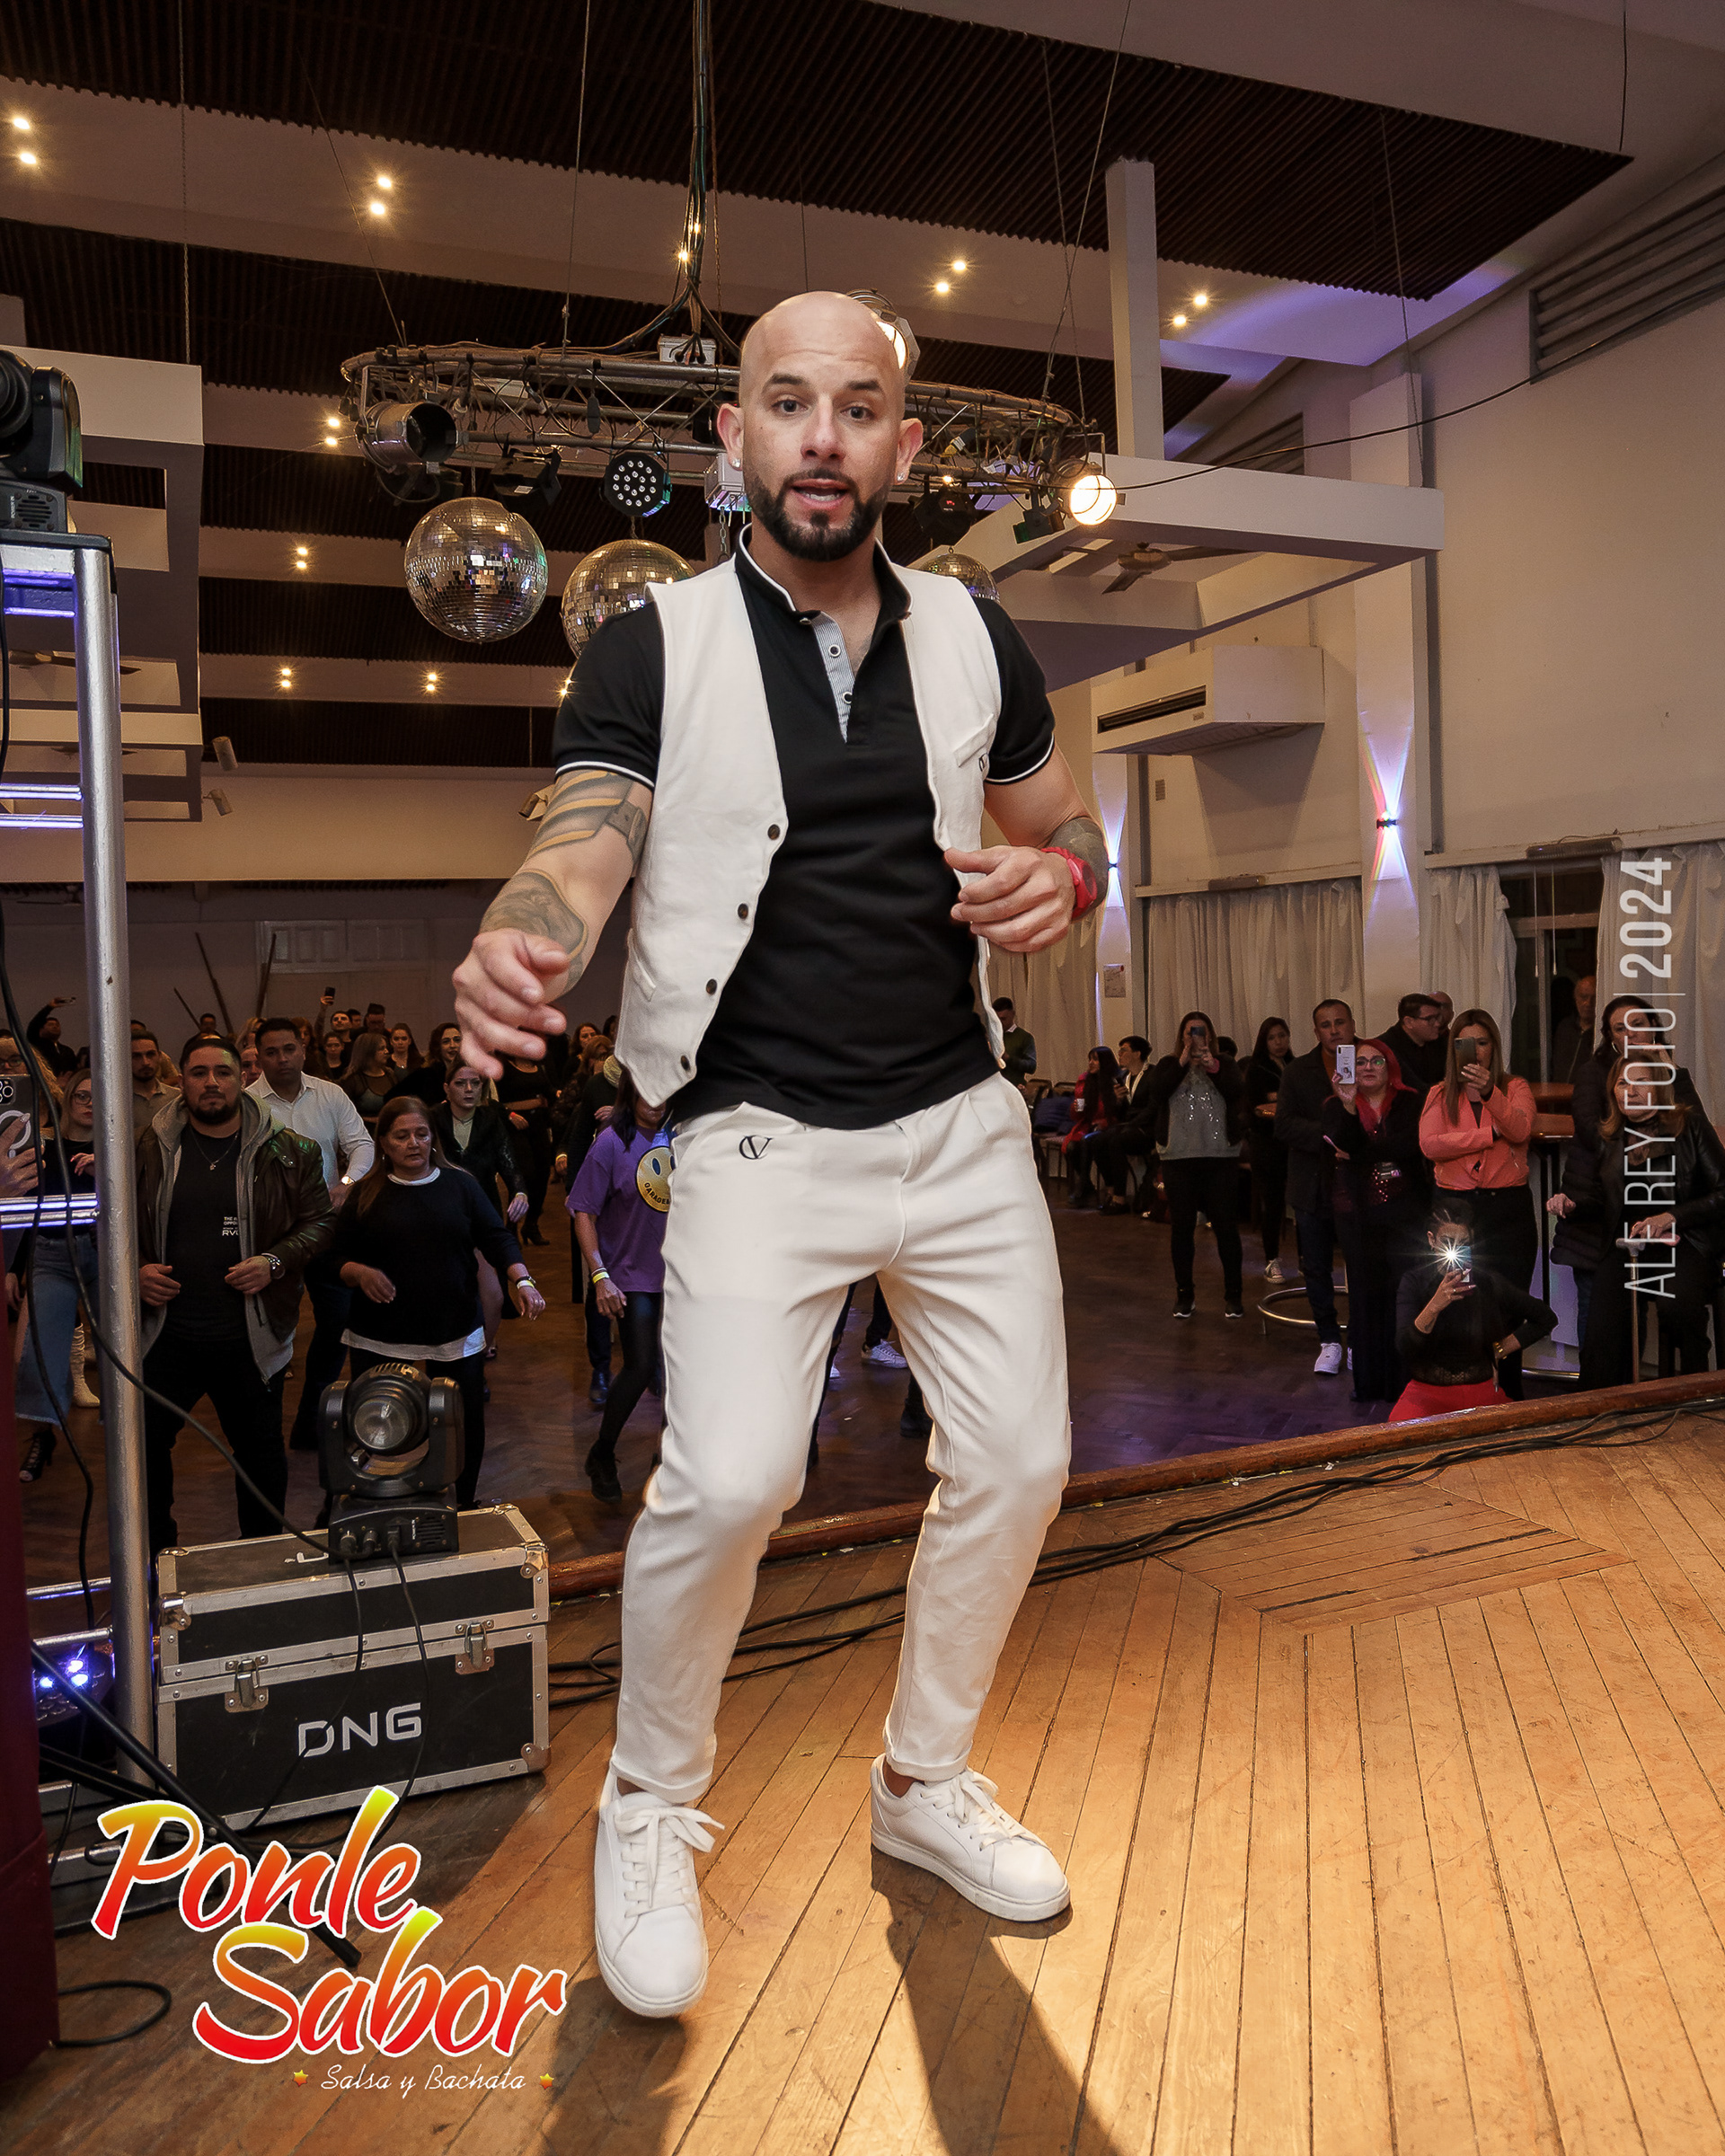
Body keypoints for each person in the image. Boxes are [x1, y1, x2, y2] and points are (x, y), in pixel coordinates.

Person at [453, 287, 1103, 2018]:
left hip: (959, 1121)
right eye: (789, 403)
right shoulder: (651, 646)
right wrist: (526, 937)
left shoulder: (976, 635)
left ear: (904, 443)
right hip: (752, 1131)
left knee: (1022, 1461)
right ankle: (650, 1803)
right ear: (733, 437)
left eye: (858, 405)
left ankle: (921, 1783)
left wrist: (1070, 875)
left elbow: (1064, 818)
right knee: (736, 1480)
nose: (824, 436)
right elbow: (584, 842)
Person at [137, 1035, 333, 1554]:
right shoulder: (148, 1148)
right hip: (165, 1335)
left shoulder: (292, 1151)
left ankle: (262, 1561)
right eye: (198, 1073)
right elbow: (110, 1224)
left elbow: (321, 1224)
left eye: (222, 1072)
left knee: (260, 1457)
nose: (211, 1083)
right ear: (180, 1080)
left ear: (242, 1078)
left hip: (251, 1336)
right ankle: (157, 1561)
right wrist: (134, 1270)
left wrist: (274, 1261)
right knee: (144, 1451)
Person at [330, 1095, 544, 1507]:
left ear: (433, 1139)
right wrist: (358, 1272)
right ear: (383, 1143)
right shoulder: (367, 1193)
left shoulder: (460, 1185)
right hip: (381, 1331)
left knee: (463, 1421)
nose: (413, 1143)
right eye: (402, 1136)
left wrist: (522, 1279)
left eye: (422, 1134)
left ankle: (464, 1504)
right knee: (374, 1423)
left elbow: (496, 1237)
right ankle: (378, 1503)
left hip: (453, 1325)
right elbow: (332, 1257)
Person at [246, 1014, 376, 1455]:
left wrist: (347, 1184)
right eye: (271, 1052)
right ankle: (262, 1429)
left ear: (303, 1050)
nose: (282, 1058)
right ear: (259, 1056)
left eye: (289, 1049)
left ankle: (311, 1423)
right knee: (271, 1331)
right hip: (269, 1234)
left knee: (337, 1321)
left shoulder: (329, 1094)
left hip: (324, 1226)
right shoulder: (249, 1104)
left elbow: (362, 1145)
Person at [1552, 1061, 1725, 1388]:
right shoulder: (1610, 1137)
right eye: (1621, 1083)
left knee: (1677, 1307)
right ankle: (1603, 1404)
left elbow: (1722, 1191)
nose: (1629, 1091)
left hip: (1686, 1239)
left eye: (1639, 1081)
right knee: (1602, 1324)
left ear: (1659, 1087)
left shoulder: (1689, 1125)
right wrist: (1573, 1205)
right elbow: (1604, 1201)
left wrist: (1672, 1217)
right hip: (1630, 1242)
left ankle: (1697, 1393)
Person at [1554, 998, 1708, 1347]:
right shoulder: (1595, 1073)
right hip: (1599, 1210)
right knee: (1603, 1320)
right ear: (1610, 1038)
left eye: (1638, 1024)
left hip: (1661, 1220)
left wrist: (1670, 1072)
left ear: (1654, 1027)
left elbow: (1693, 1126)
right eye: (1619, 1028)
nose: (1630, 1034)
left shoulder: (1667, 1073)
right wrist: (1638, 1145)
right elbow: (1592, 1130)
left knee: (1663, 1311)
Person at [1419, 1010, 1539, 1397]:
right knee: (1458, 1304)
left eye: (1483, 1042)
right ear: (1453, 1049)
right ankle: (1462, 1393)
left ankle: (1510, 1395)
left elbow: (1519, 1129)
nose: (1475, 1051)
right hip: (1455, 1212)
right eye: (1465, 1043)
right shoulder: (1440, 1093)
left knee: (1509, 1308)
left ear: (1494, 1047)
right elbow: (1430, 1145)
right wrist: (1488, 1135)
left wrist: (1490, 1094)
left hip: (1507, 1211)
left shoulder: (1514, 1087)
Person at [568, 1073, 672, 1504]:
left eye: (663, 1091)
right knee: (641, 1365)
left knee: (682, 1374)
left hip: (679, 1274)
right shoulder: (611, 1143)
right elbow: (583, 1212)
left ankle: (666, 1461)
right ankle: (602, 1452)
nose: (655, 1100)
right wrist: (600, 1276)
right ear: (630, 1091)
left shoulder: (682, 1139)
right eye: (647, 1090)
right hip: (631, 1274)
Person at [1322, 1038, 1429, 1406]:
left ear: (1390, 1066)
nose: (1368, 1067)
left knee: (1404, 1296)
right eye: (1361, 1061)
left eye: (1376, 1061)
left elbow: (1409, 1147)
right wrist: (1348, 1105)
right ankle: (1368, 1384)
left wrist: (1359, 1153)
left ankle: (1403, 1383)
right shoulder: (1335, 1105)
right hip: (1358, 1216)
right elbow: (1341, 1141)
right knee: (1365, 1298)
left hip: (1405, 1215)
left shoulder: (1411, 1102)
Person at [1391, 1196, 1557, 1422]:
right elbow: (1404, 1346)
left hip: (1480, 1389)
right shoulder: (1414, 1282)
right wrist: (1435, 1305)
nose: (1455, 1250)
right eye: (1447, 1242)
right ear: (1432, 1240)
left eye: (1463, 1244)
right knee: (1397, 1435)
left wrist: (1497, 1351)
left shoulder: (1486, 1281)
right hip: (1426, 1392)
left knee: (1521, 1434)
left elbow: (1545, 1318)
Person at [9, 1068, 99, 1483]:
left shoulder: (118, 1147)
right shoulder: (41, 1147)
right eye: (82, 1095)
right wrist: (14, 1268)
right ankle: (42, 1436)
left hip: (105, 1255)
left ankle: (127, 1437)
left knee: (124, 1351)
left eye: (98, 1096)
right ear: (67, 1098)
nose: (90, 1104)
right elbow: (25, 1208)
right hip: (49, 1254)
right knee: (36, 1355)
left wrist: (108, 1172)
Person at [1143, 1012, 1248, 1318]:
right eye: (1189, 1033)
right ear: (1181, 1036)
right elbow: (1158, 1092)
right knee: (1182, 1229)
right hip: (1178, 1157)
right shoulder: (1168, 1064)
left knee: (1226, 1228)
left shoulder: (1225, 1063)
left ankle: (1234, 1296)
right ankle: (1184, 1295)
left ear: (1210, 1035)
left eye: (1200, 1032)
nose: (1195, 1037)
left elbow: (1236, 1091)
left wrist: (1212, 1065)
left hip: (1220, 1156)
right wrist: (1183, 1061)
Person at [1276, 999, 1357, 1374]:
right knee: (1317, 1266)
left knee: (1362, 1266)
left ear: (1352, 1023)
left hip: (1360, 1182)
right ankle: (1329, 1339)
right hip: (1312, 1182)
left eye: (1340, 1022)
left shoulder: (1370, 1061)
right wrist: (1329, 1136)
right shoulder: (1297, 1070)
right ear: (1316, 1031)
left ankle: (1360, 1338)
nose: (1334, 1030)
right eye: (1326, 1025)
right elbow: (1284, 1125)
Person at [435, 1063, 530, 1353]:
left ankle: (485, 1342)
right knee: (450, 1281)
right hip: (442, 1210)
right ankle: (449, 1342)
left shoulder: (490, 1119)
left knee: (492, 1288)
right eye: (461, 1083)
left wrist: (520, 1192)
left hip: (483, 1206)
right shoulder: (433, 1118)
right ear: (447, 1088)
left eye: (475, 1083)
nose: (469, 1090)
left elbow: (508, 1161)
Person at [1069, 1034, 1154, 1214]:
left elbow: (1153, 1108)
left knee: (1115, 1140)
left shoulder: (1151, 1075)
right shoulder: (1124, 1077)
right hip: (1128, 1126)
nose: (1120, 1054)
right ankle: (1110, 1188)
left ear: (1137, 1053)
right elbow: (1120, 1112)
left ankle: (1120, 1198)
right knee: (1096, 1140)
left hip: (1145, 1128)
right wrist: (1118, 1100)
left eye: (1124, 1050)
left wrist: (1131, 1123)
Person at [1245, 1018, 1294, 1279]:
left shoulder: (1294, 1065)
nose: (1279, 1042)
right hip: (1266, 1144)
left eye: (1282, 1036)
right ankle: (1271, 1259)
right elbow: (1256, 1107)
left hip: (1292, 1143)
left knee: (1302, 1203)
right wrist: (1280, 1100)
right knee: (1273, 1203)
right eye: (1273, 1038)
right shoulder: (1256, 1069)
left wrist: (1277, 1097)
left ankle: (1306, 1259)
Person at [496, 1051, 554, 1244]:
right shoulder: (503, 1067)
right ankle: (512, 1226)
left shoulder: (538, 1066)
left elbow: (549, 1092)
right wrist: (509, 1114)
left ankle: (531, 1225)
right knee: (525, 1175)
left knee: (543, 1174)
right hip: (515, 1127)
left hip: (538, 1124)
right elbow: (492, 1099)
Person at [1060, 1046, 1119, 1198]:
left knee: (1089, 1142)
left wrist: (1104, 1123)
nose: (1091, 1063)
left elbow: (1119, 1112)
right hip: (1088, 1124)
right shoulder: (1085, 1081)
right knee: (1072, 1147)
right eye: (1090, 1059)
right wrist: (1076, 1108)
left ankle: (1084, 1188)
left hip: (1108, 1125)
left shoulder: (1115, 1082)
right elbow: (1078, 1115)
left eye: (1095, 1059)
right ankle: (1086, 1184)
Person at [1380, 993, 1448, 1096]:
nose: (1437, 1024)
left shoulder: (1440, 1043)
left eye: (1438, 1018)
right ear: (1409, 1022)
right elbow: (1413, 1088)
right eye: (1430, 1019)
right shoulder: (1385, 1047)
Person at [390, 1021, 464, 1104]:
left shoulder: (470, 1071)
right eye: (446, 1041)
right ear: (438, 1046)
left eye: (457, 1040)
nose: (453, 1045)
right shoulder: (425, 1075)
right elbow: (391, 1097)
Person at [341, 1029, 395, 1127]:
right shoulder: (353, 1080)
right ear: (369, 1052)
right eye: (381, 1049)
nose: (386, 1052)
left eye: (386, 1048)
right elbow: (346, 1114)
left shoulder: (390, 1075)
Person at [1551, 973, 1596, 1086]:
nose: (1588, 1003)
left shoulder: (1603, 1032)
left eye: (1594, 998)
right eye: (1584, 997)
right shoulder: (1565, 1028)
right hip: (1559, 1092)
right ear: (1575, 998)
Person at [130, 1031, 175, 1136]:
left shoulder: (176, 1098)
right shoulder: (117, 1102)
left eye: (150, 1054)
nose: (145, 1062)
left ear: (159, 1056)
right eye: (136, 1056)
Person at [24, 999, 78, 1080]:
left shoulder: (67, 1051)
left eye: (57, 1025)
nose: (54, 1026)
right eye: (50, 1025)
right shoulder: (37, 1045)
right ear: (41, 1030)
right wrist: (49, 1007)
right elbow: (34, 1026)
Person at [993, 997, 1036, 1089]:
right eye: (996, 1019)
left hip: (1014, 1088)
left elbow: (1031, 1066)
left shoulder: (1025, 1037)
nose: (1000, 1023)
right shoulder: (991, 1036)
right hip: (993, 1088)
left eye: (1003, 1019)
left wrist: (1008, 1058)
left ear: (1012, 1014)